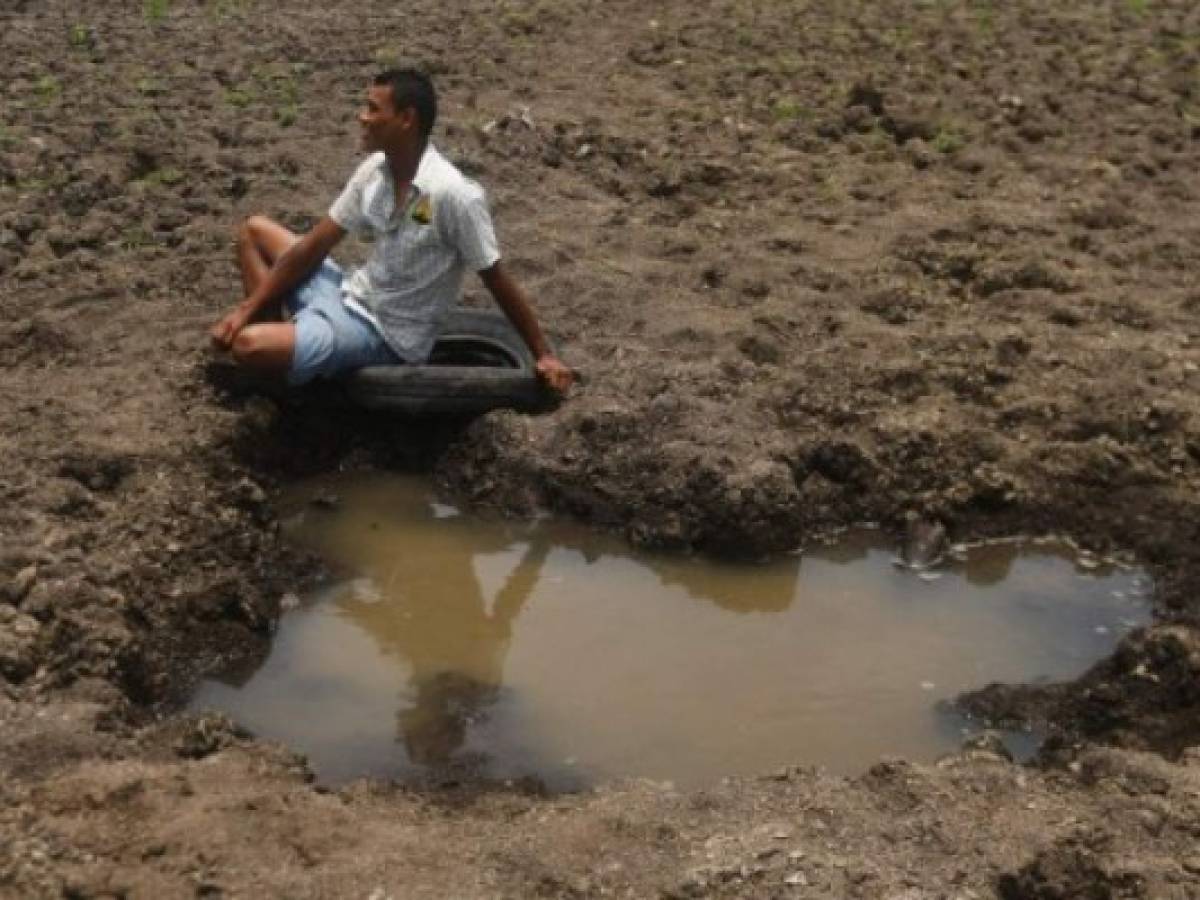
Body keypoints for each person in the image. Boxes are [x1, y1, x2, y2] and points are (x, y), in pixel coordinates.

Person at [210, 68, 574, 394]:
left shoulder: (453, 195)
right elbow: (312, 247)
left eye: (372, 109)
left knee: (248, 345)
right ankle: (285, 363)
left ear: (406, 119)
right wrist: (246, 310)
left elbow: (495, 277)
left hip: (382, 334)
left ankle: (282, 364)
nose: (362, 117)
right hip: (349, 294)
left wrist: (542, 354)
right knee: (254, 232)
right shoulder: (374, 172)